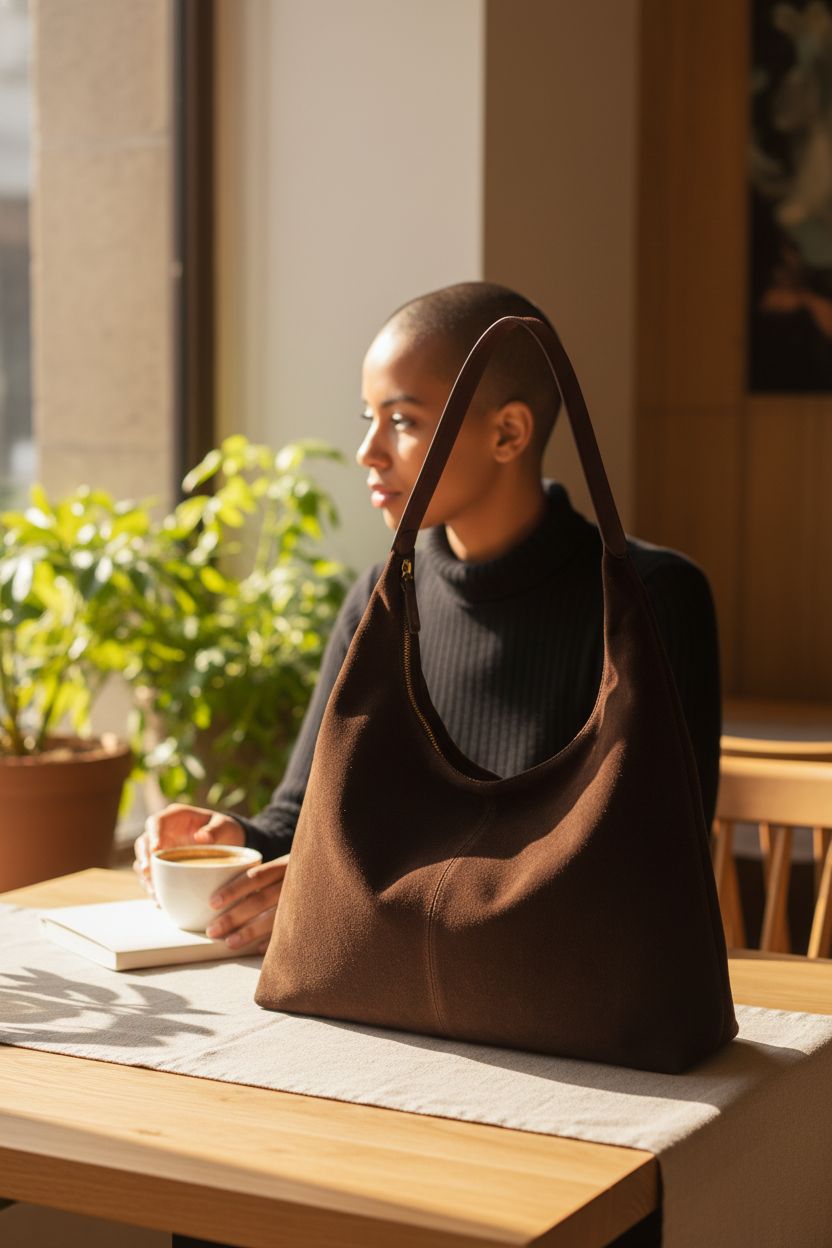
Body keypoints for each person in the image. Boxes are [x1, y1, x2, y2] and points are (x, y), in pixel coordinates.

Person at [134, 280, 722, 960]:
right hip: (408, 992)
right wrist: (232, 842)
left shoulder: (652, 601)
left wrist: (372, 897)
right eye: (368, 419)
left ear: (508, 433)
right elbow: (301, 819)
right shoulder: (380, 601)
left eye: (403, 421)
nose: (369, 452)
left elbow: (645, 865)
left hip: (570, 1003)